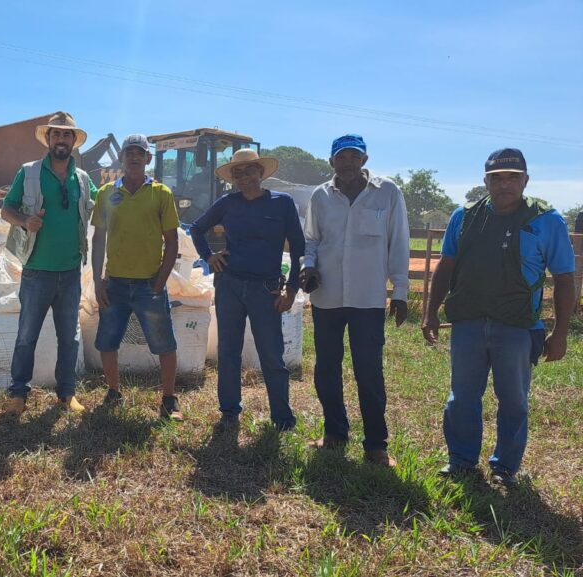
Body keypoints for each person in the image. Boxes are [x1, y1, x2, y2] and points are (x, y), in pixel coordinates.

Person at [423, 148, 575, 486]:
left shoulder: (546, 221)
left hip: (519, 327)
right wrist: (431, 312)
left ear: (525, 180)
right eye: (496, 178)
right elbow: (446, 265)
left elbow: (564, 277)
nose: (504, 184)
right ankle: (461, 460)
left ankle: (505, 467)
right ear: (485, 181)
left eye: (512, 177)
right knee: (461, 396)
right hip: (469, 323)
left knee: (514, 400)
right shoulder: (464, 217)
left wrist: (560, 332)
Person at [301, 134, 410, 467]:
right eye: (340, 157)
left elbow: (399, 242)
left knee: (369, 371)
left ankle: (376, 444)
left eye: (353, 157)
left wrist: (401, 292)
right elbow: (311, 240)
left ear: (364, 159)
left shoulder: (387, 192)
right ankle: (335, 433)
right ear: (331, 161)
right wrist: (309, 267)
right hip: (327, 297)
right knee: (326, 369)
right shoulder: (320, 196)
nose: (347, 163)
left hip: (368, 298)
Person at [189, 149, 304, 432]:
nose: (244, 177)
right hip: (229, 285)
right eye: (238, 173)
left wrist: (291, 290)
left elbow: (299, 247)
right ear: (233, 178)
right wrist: (209, 256)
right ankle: (229, 411)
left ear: (261, 173)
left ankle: (282, 418)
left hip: (266, 289)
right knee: (229, 351)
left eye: (250, 170)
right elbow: (196, 228)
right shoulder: (228, 203)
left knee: (272, 354)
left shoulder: (282, 204)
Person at [0, 111, 97, 416]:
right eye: (56, 134)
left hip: (70, 271)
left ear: (73, 141)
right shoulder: (28, 173)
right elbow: (6, 209)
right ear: (48, 139)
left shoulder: (82, 178)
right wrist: (24, 221)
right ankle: (18, 394)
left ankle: (66, 395)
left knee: (69, 337)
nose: (61, 140)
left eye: (67, 135)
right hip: (37, 271)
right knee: (27, 335)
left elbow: (101, 203)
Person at [91, 134, 183, 421]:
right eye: (129, 152)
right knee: (107, 341)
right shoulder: (107, 193)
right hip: (115, 283)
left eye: (139, 153)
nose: (133, 157)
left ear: (148, 159)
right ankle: (114, 391)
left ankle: (169, 398)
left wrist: (160, 281)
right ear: (121, 158)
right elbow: (98, 239)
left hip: (149, 284)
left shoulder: (161, 193)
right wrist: (97, 280)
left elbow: (172, 242)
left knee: (164, 343)